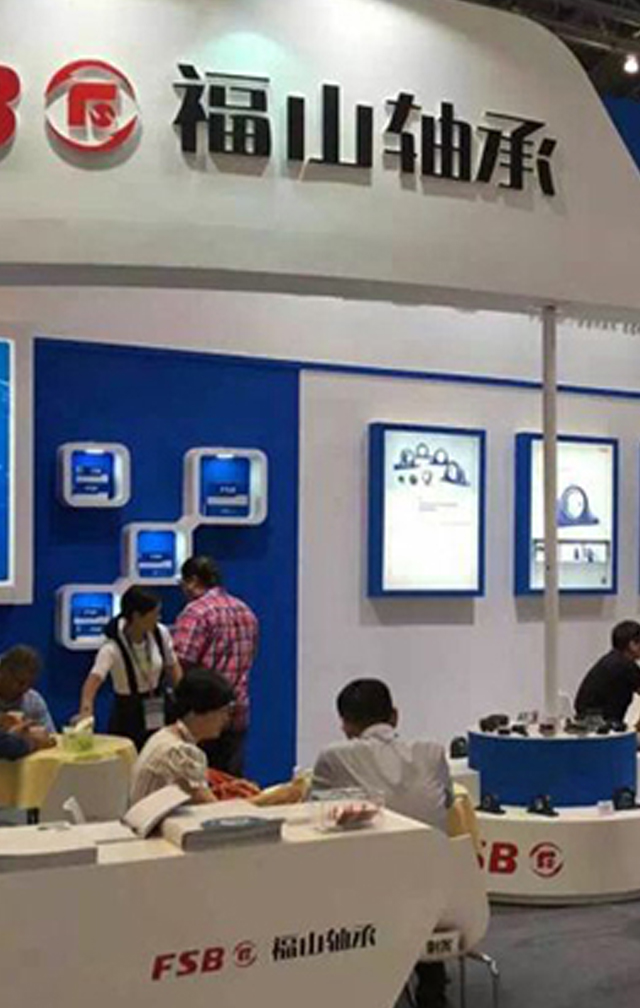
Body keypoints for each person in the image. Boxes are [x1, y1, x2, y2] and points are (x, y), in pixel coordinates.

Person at [312, 679, 453, 1008]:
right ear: (395, 715)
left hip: (368, 898)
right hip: (443, 899)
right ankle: (432, 986)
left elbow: (313, 815)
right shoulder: (433, 751)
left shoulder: (334, 756)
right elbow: (446, 803)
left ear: (346, 724)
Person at [172, 556, 258, 776]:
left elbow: (180, 663)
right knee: (230, 783)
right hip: (237, 710)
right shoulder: (245, 611)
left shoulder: (196, 612)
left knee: (197, 782)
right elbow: (251, 656)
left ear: (193, 581)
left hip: (202, 716)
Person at [78, 585, 182, 750]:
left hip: (159, 705)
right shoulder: (112, 647)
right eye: (154, 614)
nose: (159, 618)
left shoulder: (160, 633)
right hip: (127, 714)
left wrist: (184, 699)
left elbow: (173, 667)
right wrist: (86, 712)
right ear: (137, 616)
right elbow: (92, 683)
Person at [129, 668, 234, 804]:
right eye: (223, 711)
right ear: (197, 711)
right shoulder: (180, 752)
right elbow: (214, 810)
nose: (226, 718)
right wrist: (261, 800)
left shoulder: (164, 735)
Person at [575, 620, 640, 724]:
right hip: (604, 726)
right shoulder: (626, 666)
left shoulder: (610, 660)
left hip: (586, 723)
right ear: (632, 645)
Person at [0, 645, 55, 732]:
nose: (25, 689)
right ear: (3, 674)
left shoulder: (34, 702)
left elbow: (50, 734)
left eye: (30, 684)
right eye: (20, 683)